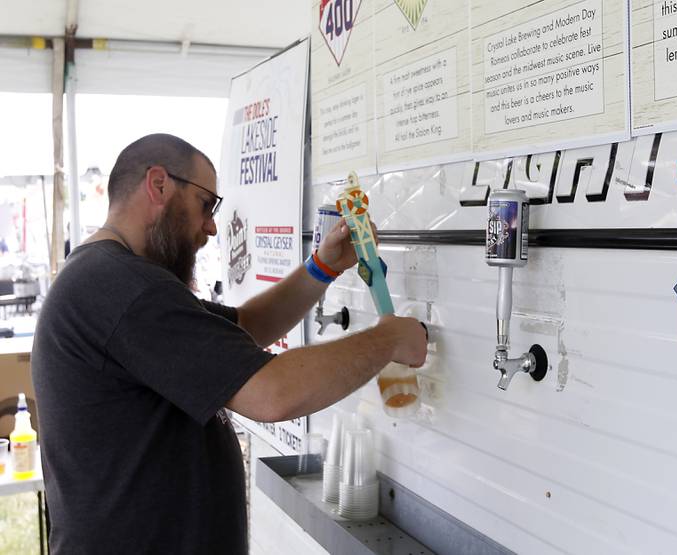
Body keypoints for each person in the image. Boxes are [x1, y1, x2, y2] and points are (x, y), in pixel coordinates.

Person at [31, 134, 427, 554]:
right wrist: (388, 339)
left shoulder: (112, 280)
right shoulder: (121, 288)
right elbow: (273, 394)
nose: (212, 226)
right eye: (206, 204)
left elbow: (246, 326)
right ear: (159, 184)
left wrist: (322, 267)